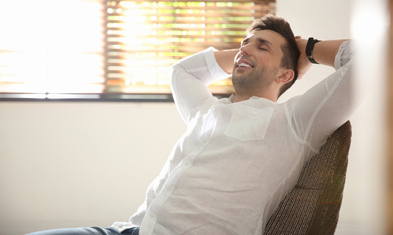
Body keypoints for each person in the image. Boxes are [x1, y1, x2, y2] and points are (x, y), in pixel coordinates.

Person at [27, 14, 356, 235]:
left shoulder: (293, 122)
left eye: (261, 46)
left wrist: (306, 50)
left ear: (285, 75)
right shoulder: (205, 111)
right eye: (243, 42)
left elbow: (372, 60)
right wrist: (249, 52)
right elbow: (181, 72)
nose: (243, 48)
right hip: (128, 230)